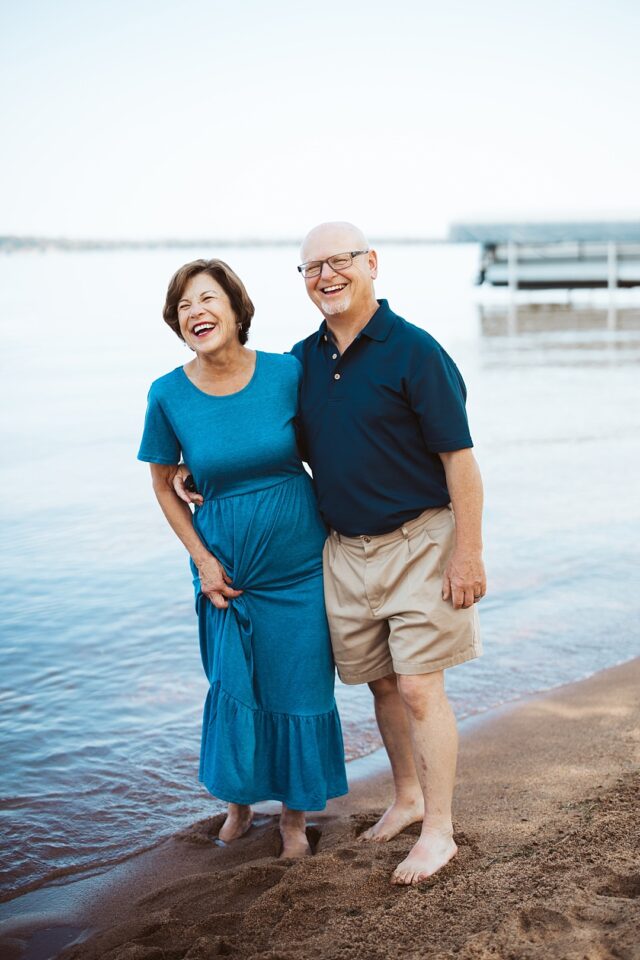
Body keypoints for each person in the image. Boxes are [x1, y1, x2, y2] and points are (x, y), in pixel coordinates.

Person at [175, 223, 486, 885]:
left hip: (420, 540)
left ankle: (439, 830)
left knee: (420, 688)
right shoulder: (301, 363)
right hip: (343, 550)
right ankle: (405, 798)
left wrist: (469, 552)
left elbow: (460, 460)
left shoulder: (415, 352)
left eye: (338, 261)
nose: (325, 275)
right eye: (311, 267)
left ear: (370, 263)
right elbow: (260, 434)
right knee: (379, 684)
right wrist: (194, 475)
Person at [138, 258, 347, 859]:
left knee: (301, 687)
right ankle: (237, 806)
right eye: (183, 306)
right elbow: (161, 486)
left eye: (206, 299)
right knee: (234, 685)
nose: (195, 312)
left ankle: (291, 820)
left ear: (235, 309)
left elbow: (327, 447)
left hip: (300, 566)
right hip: (223, 571)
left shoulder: (287, 373)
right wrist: (203, 561)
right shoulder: (168, 394)